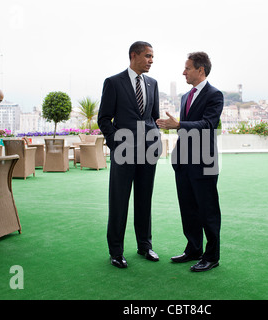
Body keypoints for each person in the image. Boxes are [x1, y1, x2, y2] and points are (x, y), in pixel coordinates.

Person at [157, 52, 224, 272]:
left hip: (204, 162)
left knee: (208, 210)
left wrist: (177, 125)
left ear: (200, 70)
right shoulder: (185, 96)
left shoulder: (215, 95)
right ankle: (193, 249)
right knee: (188, 208)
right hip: (183, 162)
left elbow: (207, 125)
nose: (183, 72)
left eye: (187, 68)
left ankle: (211, 256)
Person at [98, 41, 162, 268]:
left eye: (152, 57)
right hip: (123, 153)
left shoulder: (153, 84)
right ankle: (116, 251)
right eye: (147, 56)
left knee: (145, 200)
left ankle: (145, 246)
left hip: (148, 152)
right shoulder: (113, 83)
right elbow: (104, 119)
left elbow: (153, 118)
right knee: (119, 201)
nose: (151, 61)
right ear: (133, 55)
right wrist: (117, 144)